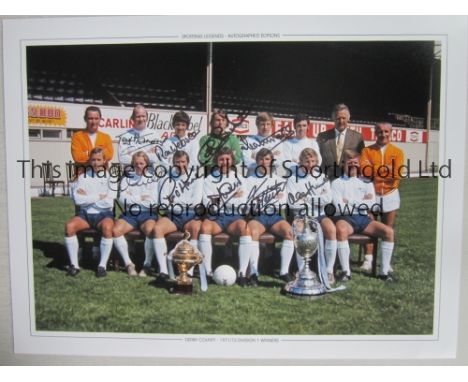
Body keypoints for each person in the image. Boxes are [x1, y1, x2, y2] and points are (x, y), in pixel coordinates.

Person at [331, 149, 395, 282]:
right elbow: (339, 207)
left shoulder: (366, 182)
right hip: (345, 219)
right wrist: (361, 202)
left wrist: (350, 201)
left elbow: (371, 204)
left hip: (363, 219)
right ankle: (345, 272)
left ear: (359, 163)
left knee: (388, 232)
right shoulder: (336, 183)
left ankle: (384, 272)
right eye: (349, 162)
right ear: (343, 163)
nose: (353, 165)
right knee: (341, 230)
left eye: (355, 162)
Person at [64, 147, 119, 277]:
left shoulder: (111, 178)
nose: (95, 162)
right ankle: (74, 265)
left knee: (107, 228)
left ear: (104, 160)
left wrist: (87, 197)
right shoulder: (82, 177)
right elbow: (78, 200)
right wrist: (98, 197)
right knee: (69, 227)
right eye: (93, 159)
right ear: (89, 160)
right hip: (85, 215)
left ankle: (102, 266)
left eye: (99, 159)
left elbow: (109, 202)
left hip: (103, 214)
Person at [286, 148, 337, 283]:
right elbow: (293, 203)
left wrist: (307, 198)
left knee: (331, 229)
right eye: (307, 161)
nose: (310, 164)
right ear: (300, 162)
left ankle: (329, 270)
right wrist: (316, 199)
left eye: (313, 161)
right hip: (301, 216)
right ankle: (302, 270)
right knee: (298, 230)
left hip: (319, 215)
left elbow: (327, 199)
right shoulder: (293, 178)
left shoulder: (322, 177)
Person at [200, 147, 251, 282]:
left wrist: (219, 198)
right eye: (221, 159)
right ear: (217, 161)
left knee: (245, 228)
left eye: (227, 159)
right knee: (205, 228)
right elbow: (208, 202)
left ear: (232, 161)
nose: (224, 162)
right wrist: (232, 196)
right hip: (216, 217)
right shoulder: (210, 179)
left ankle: (242, 273)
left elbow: (242, 202)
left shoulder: (240, 178)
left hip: (234, 217)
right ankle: (208, 272)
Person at [152, 150, 204, 282]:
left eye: (183, 162)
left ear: (188, 162)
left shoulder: (196, 177)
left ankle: (189, 270)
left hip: (190, 215)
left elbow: (196, 202)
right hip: (172, 216)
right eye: (177, 162)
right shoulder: (166, 177)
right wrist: (177, 204)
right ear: (173, 163)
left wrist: (174, 202)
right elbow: (163, 202)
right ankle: (163, 270)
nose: (180, 165)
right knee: (157, 229)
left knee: (196, 229)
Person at [359, 122, 405, 271]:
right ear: (375, 133)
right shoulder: (367, 151)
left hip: (390, 194)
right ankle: (368, 258)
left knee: (388, 228)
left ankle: (386, 262)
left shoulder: (398, 152)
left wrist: (375, 169)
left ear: (390, 133)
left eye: (386, 132)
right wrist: (387, 170)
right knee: (368, 226)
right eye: (380, 132)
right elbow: (365, 171)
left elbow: (397, 174)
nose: (383, 134)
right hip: (371, 193)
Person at [245, 148, 294, 285]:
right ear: (256, 161)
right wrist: (271, 199)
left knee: (290, 232)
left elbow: (282, 203)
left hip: (274, 216)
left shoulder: (278, 180)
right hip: (257, 216)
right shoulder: (249, 180)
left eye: (267, 159)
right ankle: (254, 272)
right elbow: (248, 202)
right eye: (261, 159)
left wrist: (261, 200)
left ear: (271, 161)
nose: (264, 162)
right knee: (253, 233)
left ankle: (284, 271)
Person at [112, 151, 159, 277]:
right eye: (136, 163)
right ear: (133, 164)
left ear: (146, 164)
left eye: (141, 163)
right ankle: (128, 264)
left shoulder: (153, 178)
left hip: (148, 214)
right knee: (116, 230)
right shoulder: (127, 178)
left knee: (150, 230)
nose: (139, 166)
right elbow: (122, 199)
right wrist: (142, 198)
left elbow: (153, 202)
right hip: (130, 214)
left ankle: (147, 265)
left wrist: (132, 198)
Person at [316, 104, 364, 180]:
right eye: (338, 118)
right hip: (326, 182)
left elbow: (362, 160)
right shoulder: (322, 137)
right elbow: (317, 159)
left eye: (343, 118)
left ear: (348, 118)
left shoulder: (357, 137)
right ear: (333, 118)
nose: (341, 121)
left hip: (348, 181)